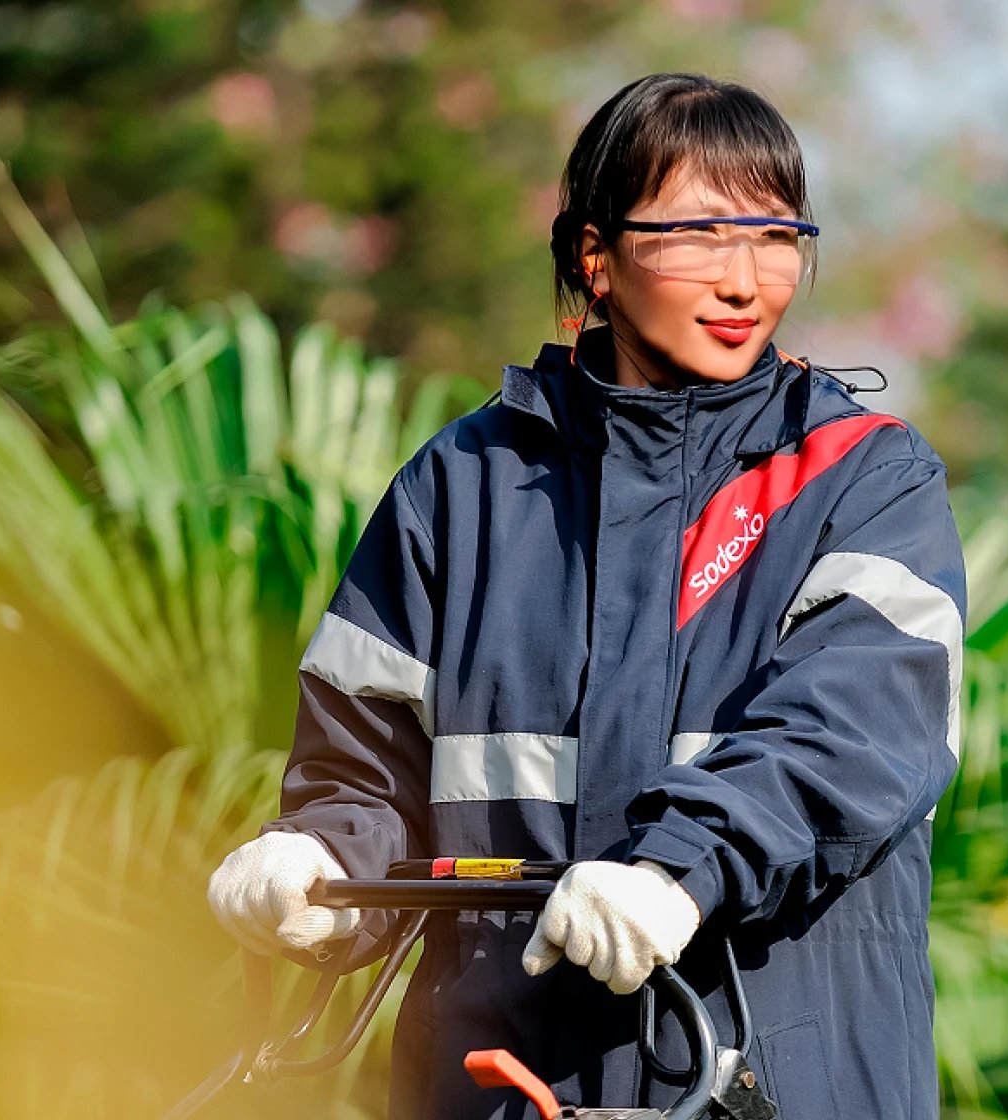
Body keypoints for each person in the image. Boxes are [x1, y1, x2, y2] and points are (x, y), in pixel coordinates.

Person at [206, 71, 965, 1120]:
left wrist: (674, 870)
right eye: (699, 233)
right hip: (502, 1086)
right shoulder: (459, 486)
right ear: (593, 256)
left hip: (779, 1083)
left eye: (776, 235)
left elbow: (849, 734)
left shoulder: (864, 479)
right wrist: (322, 863)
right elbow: (366, 767)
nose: (744, 278)